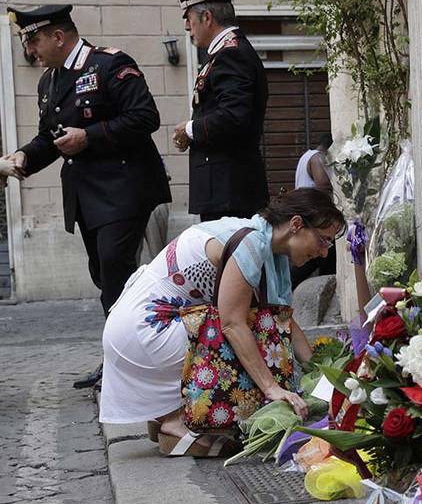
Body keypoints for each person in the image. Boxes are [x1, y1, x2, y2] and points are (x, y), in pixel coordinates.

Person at [98, 188, 344, 457]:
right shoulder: (250, 244)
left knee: (263, 325)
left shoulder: (261, 238)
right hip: (145, 331)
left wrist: (323, 376)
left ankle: (167, 413)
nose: (323, 253)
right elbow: (233, 324)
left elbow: (283, 319)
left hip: (138, 327)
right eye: (323, 241)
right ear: (296, 224)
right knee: (251, 330)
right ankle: (174, 423)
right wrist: (271, 389)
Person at [0, 4, 171, 389]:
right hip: (87, 198)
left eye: (34, 41)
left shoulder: (110, 65)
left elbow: (145, 117)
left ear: (58, 36)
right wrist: (27, 155)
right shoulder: (49, 82)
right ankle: (120, 357)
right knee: (104, 277)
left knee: (115, 269)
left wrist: (88, 137)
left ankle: (130, 365)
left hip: (125, 190)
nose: (31, 51)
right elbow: (51, 137)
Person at [169, 0, 269, 222]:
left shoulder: (231, 54)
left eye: (189, 18)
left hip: (230, 190)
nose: (186, 27)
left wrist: (190, 129)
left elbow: (235, 116)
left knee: (232, 258)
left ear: (207, 18)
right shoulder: (223, 54)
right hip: (224, 189)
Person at [290, 133, 337, 288]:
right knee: (316, 258)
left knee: (317, 259)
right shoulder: (317, 158)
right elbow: (324, 187)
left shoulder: (306, 156)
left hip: (310, 216)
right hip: (315, 220)